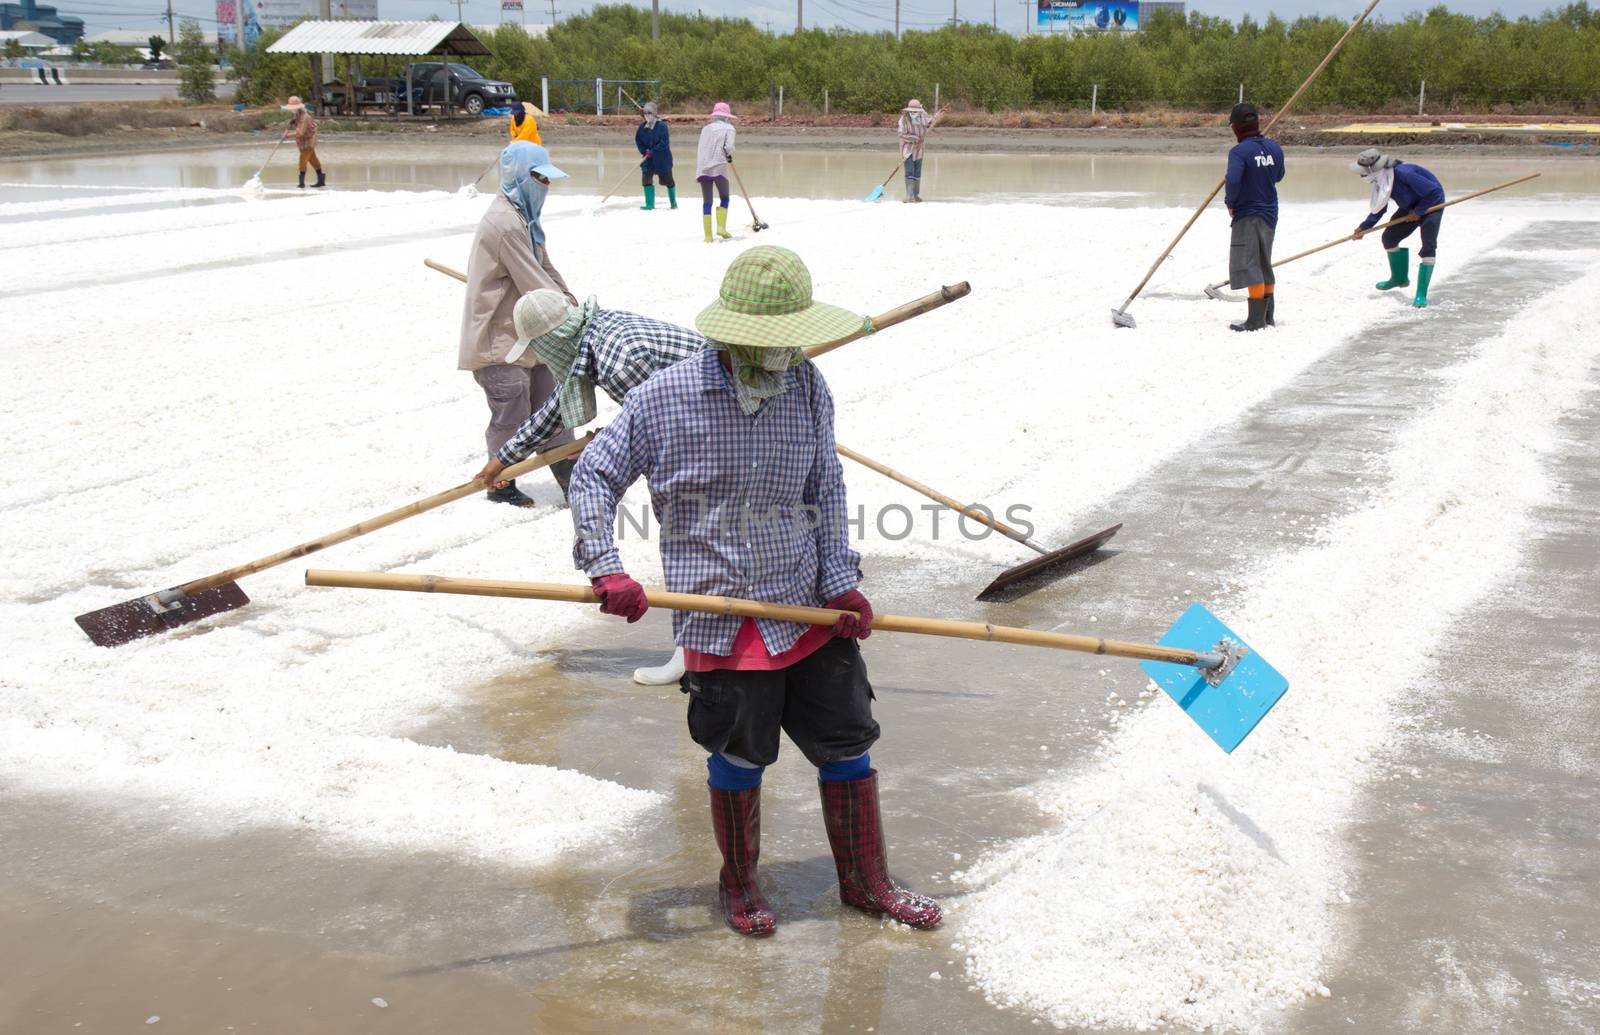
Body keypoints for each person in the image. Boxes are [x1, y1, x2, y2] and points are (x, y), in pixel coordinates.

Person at [567, 245, 942, 938]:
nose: (786, 354)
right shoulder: (664, 398)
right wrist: (606, 566)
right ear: (733, 336)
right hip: (723, 617)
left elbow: (824, 488)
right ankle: (739, 886)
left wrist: (841, 582)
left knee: (848, 743)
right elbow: (592, 476)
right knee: (738, 754)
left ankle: (867, 882)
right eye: (773, 344)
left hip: (805, 604)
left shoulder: (807, 386)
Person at [475, 287, 709, 685]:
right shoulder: (593, 337)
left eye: (538, 349)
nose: (540, 359)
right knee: (692, 541)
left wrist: (611, 441)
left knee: (695, 540)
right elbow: (560, 407)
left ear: (553, 340)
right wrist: (506, 457)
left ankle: (700, 656)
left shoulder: (620, 359)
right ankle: (695, 651)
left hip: (711, 433)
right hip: (691, 426)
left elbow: (671, 421)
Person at [458, 141, 579, 506]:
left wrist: (571, 302)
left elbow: (546, 268)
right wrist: (572, 318)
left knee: (553, 406)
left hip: (529, 336)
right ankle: (501, 485)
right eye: (540, 178)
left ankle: (572, 480)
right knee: (512, 413)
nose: (546, 186)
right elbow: (533, 281)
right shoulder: (505, 224)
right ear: (521, 178)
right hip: (500, 341)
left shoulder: (524, 218)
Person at [1351, 148, 1445, 308]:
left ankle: (1421, 294)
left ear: (1373, 170)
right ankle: (1399, 278)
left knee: (1428, 247)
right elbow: (1380, 207)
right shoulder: (1383, 180)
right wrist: (1364, 227)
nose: (1361, 176)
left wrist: (1418, 211)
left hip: (1432, 205)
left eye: (1363, 173)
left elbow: (1434, 192)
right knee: (1389, 238)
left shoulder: (1404, 174)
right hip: (1411, 207)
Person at [1222, 102, 1284, 332]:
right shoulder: (1274, 148)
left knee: (1250, 263)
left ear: (1236, 127)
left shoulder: (1239, 152)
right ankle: (1268, 317)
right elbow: (1279, 176)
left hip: (1248, 213)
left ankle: (1255, 320)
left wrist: (1230, 203)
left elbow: (1234, 181)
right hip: (1270, 213)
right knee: (1264, 261)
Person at [696, 102, 737, 244]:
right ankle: (721, 227)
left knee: (707, 202)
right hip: (719, 166)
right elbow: (729, 147)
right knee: (725, 197)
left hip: (703, 167)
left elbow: (701, 148)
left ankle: (708, 236)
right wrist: (728, 154)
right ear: (726, 116)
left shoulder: (705, 129)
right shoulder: (730, 129)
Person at [635, 101, 676, 211]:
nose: (647, 116)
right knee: (646, 179)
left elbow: (664, 143)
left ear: (654, 114)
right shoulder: (642, 128)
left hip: (662, 159)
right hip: (647, 159)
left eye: (649, 113)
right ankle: (649, 204)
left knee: (668, 181)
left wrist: (652, 152)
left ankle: (673, 203)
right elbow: (638, 141)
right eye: (645, 113)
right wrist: (644, 151)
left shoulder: (662, 126)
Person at [281, 96, 324, 189]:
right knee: (313, 159)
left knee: (302, 159)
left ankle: (301, 184)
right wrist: (293, 122)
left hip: (309, 139)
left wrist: (287, 136)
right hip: (303, 141)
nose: (292, 110)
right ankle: (321, 181)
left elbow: (300, 133)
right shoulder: (297, 114)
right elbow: (296, 124)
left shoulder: (305, 117)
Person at [897, 98, 930, 203]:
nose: (913, 113)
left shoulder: (923, 116)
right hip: (908, 149)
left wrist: (939, 115)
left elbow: (929, 122)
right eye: (912, 111)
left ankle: (916, 195)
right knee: (909, 171)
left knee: (917, 173)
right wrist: (914, 138)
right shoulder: (903, 119)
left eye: (915, 111)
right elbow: (901, 134)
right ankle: (909, 195)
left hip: (919, 150)